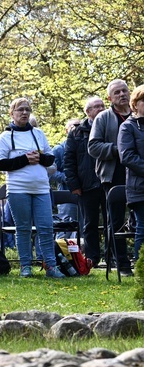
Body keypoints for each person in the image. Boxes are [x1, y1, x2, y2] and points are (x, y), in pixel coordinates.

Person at [0, 97, 64, 278]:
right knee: (23, 228)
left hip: (41, 188)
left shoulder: (38, 134)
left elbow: (50, 158)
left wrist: (38, 158)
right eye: (20, 110)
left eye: (27, 110)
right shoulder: (5, 137)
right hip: (18, 190)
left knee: (46, 227)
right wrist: (25, 159)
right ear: (12, 113)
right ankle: (26, 266)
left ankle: (51, 266)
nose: (24, 113)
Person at [89, 79, 133, 276]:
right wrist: (118, 150)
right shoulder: (103, 118)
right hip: (114, 174)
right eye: (117, 92)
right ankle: (121, 264)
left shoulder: (138, 115)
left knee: (138, 219)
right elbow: (93, 147)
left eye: (124, 90)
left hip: (138, 173)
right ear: (110, 98)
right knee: (115, 221)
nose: (122, 94)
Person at [64, 96, 106, 267]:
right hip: (86, 185)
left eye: (102, 105)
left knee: (113, 223)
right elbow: (69, 161)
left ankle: (113, 256)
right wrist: (74, 185)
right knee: (89, 224)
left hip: (108, 183)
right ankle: (93, 258)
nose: (101, 109)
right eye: (96, 106)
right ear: (88, 112)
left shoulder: (110, 127)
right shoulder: (77, 133)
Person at [117, 85, 144, 263]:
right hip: (140, 188)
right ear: (135, 103)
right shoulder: (128, 127)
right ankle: (141, 270)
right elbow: (127, 157)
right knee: (143, 228)